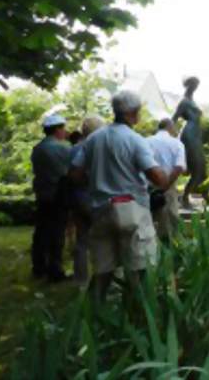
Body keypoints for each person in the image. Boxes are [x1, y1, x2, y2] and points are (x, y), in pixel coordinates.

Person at [70, 91, 168, 300]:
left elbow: (75, 174)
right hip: (132, 209)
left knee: (103, 270)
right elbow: (157, 177)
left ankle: (92, 316)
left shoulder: (93, 139)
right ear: (133, 113)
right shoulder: (135, 140)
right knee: (140, 268)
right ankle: (136, 316)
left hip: (101, 209)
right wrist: (164, 173)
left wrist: (97, 181)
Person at [30, 114, 72, 282]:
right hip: (58, 195)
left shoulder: (37, 148)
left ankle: (38, 266)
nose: (65, 131)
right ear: (57, 129)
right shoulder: (64, 148)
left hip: (42, 194)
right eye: (63, 128)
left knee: (41, 231)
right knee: (57, 233)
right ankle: (55, 270)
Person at [69, 116, 105, 286]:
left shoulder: (74, 149)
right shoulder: (101, 148)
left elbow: (71, 175)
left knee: (81, 240)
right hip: (98, 199)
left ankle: (80, 279)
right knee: (102, 240)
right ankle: (101, 278)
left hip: (78, 198)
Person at [147, 118, 187, 239]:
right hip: (168, 187)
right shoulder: (177, 143)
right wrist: (164, 186)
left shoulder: (145, 142)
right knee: (170, 226)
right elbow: (179, 166)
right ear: (170, 127)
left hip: (148, 189)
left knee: (150, 226)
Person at [173, 76, 207, 207]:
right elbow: (174, 119)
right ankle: (184, 198)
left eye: (197, 85)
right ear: (189, 86)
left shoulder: (191, 101)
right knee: (197, 168)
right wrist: (171, 137)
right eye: (194, 85)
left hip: (195, 135)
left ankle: (184, 197)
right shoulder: (184, 102)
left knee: (201, 171)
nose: (196, 88)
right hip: (189, 135)